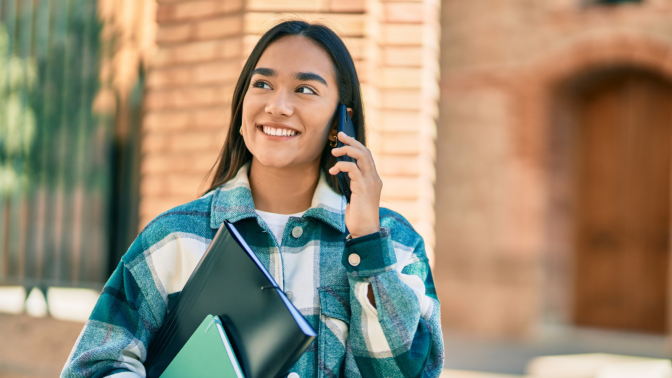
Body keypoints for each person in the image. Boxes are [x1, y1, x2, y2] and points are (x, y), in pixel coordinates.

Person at [62, 20, 444, 378]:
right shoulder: (175, 237)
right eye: (262, 85)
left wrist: (367, 245)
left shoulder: (394, 243)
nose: (277, 105)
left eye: (305, 89)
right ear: (241, 110)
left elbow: (407, 371)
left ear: (339, 122)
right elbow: (92, 366)